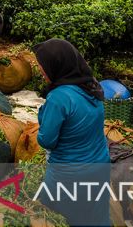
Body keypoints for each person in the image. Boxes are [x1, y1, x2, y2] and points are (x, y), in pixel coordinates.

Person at [34, 38, 110, 227]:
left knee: (58, 219)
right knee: (96, 217)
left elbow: (47, 140)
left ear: (56, 66)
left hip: (68, 176)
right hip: (100, 167)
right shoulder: (92, 87)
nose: (40, 70)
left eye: (42, 66)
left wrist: (42, 115)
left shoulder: (59, 97)